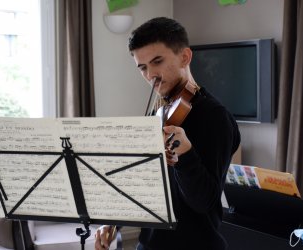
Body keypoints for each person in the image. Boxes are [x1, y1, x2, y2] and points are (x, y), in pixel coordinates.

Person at [95, 17, 241, 250]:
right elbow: (141, 181)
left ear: (185, 57)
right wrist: (113, 221)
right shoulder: (160, 112)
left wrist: (185, 155)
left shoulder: (214, 116)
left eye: (157, 61)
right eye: (142, 67)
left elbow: (204, 202)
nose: (150, 74)